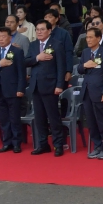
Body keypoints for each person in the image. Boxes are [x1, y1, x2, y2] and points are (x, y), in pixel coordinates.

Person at [25, 20, 67, 157]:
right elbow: (26, 61)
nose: (39, 32)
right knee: (39, 118)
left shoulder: (57, 44)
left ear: (49, 31)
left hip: (50, 86)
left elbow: (61, 67)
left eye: (42, 29)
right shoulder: (33, 45)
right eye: (37, 29)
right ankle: (43, 144)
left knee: (53, 118)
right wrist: (38, 57)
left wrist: (59, 85)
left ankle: (58, 144)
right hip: (36, 86)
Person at [0, 27, 28, 153]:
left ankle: (16, 143)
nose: (1, 39)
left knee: (14, 118)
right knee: (3, 118)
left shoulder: (17, 51)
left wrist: (21, 88)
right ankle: (6, 142)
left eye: (3, 36)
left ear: (10, 37)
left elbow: (21, 72)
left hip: (13, 89)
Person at [79, 27, 103, 159]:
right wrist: (85, 65)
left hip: (100, 92)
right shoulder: (85, 52)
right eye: (87, 37)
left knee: (102, 121)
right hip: (87, 92)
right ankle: (97, 145)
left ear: (98, 38)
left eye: (90, 37)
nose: (88, 40)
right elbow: (79, 69)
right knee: (91, 122)